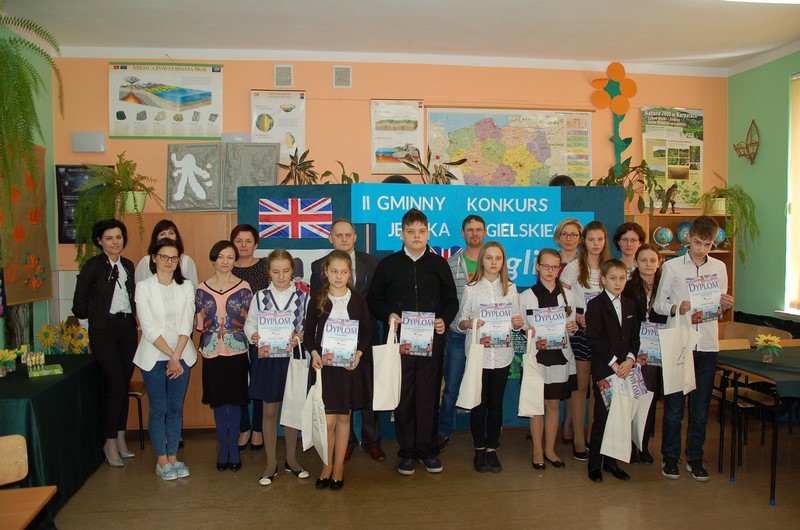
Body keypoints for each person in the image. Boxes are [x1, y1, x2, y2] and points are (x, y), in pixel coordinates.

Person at [367, 208, 459, 475]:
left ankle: (428, 451)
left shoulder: (439, 264)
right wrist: (389, 315)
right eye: (411, 231)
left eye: (421, 231)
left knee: (429, 394)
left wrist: (444, 319)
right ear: (402, 234)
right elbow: (374, 300)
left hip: (432, 340)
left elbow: (451, 300)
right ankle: (407, 452)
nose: (416, 236)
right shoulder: (388, 265)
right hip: (400, 342)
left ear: (428, 233)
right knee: (404, 395)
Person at [653, 215, 733, 481]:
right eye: (698, 242)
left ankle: (695, 458)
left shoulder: (719, 267)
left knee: (700, 407)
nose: (701, 249)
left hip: (707, 343)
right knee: (675, 406)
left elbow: (718, 305)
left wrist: (724, 305)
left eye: (707, 244)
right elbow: (659, 305)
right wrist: (678, 307)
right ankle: (670, 457)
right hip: (679, 341)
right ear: (689, 238)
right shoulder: (672, 266)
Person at [309, 219, 383, 462]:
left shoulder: (373, 263)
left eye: (348, 235)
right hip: (331, 346)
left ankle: (372, 441)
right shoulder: (318, 266)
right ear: (330, 238)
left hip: (364, 340)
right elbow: (316, 310)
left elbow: (375, 301)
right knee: (341, 396)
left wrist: (360, 348)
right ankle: (347, 443)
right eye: (338, 235)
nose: (344, 239)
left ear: (355, 237)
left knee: (368, 390)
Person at [72, 219, 138, 467]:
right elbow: (79, 303)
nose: (115, 242)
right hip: (102, 330)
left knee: (124, 384)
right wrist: (90, 325)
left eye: (118, 237)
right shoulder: (93, 267)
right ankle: (109, 442)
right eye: (109, 238)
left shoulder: (128, 265)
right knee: (116, 385)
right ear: (100, 241)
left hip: (127, 328)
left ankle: (120, 438)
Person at [244, 249, 310, 486]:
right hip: (268, 359)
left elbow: (310, 327)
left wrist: (300, 336)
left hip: (293, 359)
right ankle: (271, 463)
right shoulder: (260, 296)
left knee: (292, 411)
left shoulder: (304, 296)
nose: (281, 276)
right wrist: (253, 334)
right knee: (270, 411)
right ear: (268, 272)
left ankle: (291, 459)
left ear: (293, 271)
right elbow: (249, 323)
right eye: (275, 271)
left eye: (285, 271)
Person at [307, 250, 372, 490]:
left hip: (348, 368)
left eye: (343, 272)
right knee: (328, 422)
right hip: (325, 368)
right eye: (334, 271)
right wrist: (314, 353)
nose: (338, 276)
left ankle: (338, 468)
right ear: (326, 272)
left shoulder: (358, 299)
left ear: (350, 274)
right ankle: (326, 465)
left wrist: (359, 354)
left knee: (344, 418)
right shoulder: (318, 299)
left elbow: (367, 333)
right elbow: (308, 333)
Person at [455, 241, 523, 473]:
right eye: (489, 258)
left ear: (503, 262)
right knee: (478, 403)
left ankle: (492, 448)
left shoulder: (510, 288)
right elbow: (460, 322)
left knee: (496, 403)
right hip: (479, 356)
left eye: (498, 258)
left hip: (502, 355)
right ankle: (479, 449)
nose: (494, 262)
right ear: (482, 260)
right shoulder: (472, 288)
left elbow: (516, 322)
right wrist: (472, 323)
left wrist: (517, 323)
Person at [133, 238, 196, 480]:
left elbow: (186, 324)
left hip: (182, 355)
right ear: (154, 258)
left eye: (174, 257)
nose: (169, 261)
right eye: (164, 257)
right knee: (158, 409)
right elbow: (148, 329)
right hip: (154, 358)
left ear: (179, 260)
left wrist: (177, 356)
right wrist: (172, 357)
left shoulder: (186, 286)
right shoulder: (144, 287)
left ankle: (173, 457)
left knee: (176, 408)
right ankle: (161, 460)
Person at [195, 240, 253, 472]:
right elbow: (199, 323)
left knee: (236, 400)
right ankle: (223, 448)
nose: (225, 261)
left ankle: (235, 450)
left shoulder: (244, 287)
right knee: (218, 401)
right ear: (213, 260)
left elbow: (250, 319)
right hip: (212, 351)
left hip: (237, 349)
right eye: (220, 257)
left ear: (235, 260)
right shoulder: (202, 288)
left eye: (230, 257)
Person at [519, 248, 578, 470]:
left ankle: (550, 449)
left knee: (553, 404)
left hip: (560, 357)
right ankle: (537, 450)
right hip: (536, 357)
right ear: (537, 266)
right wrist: (526, 330)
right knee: (536, 404)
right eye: (546, 266)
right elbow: (520, 326)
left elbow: (572, 326)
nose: (550, 271)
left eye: (555, 267)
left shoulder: (568, 296)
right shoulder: (525, 297)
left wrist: (572, 328)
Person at [585, 259, 641, 483]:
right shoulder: (595, 305)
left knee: (620, 417)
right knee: (602, 417)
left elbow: (635, 337)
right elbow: (594, 339)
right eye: (613, 278)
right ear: (603, 280)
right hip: (605, 371)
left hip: (626, 370)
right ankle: (594, 464)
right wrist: (614, 363)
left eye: (622, 278)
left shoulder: (629, 304)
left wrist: (630, 359)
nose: (618, 283)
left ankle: (612, 462)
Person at [560, 220, 611, 461]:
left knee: (598, 388)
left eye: (599, 239)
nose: (595, 244)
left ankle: (594, 438)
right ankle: (579, 441)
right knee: (581, 387)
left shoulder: (610, 267)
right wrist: (576, 317)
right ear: (584, 242)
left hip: (604, 337)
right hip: (581, 333)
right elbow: (561, 299)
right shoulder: (573, 267)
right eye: (591, 239)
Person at [438, 214, 486, 451]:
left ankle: (484, 433)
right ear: (462, 233)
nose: (474, 234)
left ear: (485, 233)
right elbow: (446, 300)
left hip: (485, 337)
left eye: (478, 229)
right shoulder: (451, 264)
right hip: (457, 334)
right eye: (470, 229)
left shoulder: (493, 261)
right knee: (451, 387)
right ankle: (444, 431)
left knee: (484, 387)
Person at [622, 244, 667, 464]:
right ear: (636, 262)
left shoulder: (666, 285)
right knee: (633, 398)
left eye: (652, 260)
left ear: (659, 262)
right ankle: (630, 445)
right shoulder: (628, 287)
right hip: (635, 350)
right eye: (643, 260)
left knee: (650, 398)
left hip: (659, 350)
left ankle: (644, 445)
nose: (648, 265)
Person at [230, 224, 269, 452]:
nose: (243, 245)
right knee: (237, 383)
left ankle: (257, 429)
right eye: (238, 241)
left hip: (260, 335)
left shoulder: (265, 267)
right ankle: (243, 427)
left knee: (259, 382)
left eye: (248, 241)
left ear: (256, 244)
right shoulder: (227, 267)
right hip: (233, 337)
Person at [552, 217, 583, 444]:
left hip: (576, 325)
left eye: (574, 234)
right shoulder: (549, 260)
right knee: (549, 373)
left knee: (574, 376)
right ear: (558, 237)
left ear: (580, 238)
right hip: (552, 326)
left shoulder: (585, 263)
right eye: (565, 234)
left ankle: (569, 423)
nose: (569, 238)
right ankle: (543, 420)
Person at [135, 219, 199, 287]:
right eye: (162, 234)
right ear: (156, 238)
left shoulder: (186, 261)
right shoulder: (146, 261)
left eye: (171, 233)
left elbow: (194, 288)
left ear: (176, 237)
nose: (167, 237)